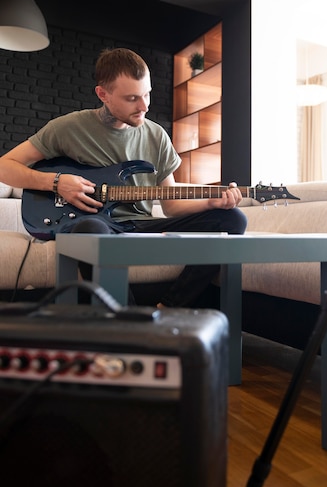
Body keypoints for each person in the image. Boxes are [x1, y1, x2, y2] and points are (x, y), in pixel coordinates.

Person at [0, 48, 247, 308]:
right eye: (132, 98)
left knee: (232, 219)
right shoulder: (68, 128)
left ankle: (171, 306)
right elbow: (5, 165)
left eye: (147, 94)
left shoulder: (157, 136)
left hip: (140, 224)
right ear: (103, 94)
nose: (145, 106)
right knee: (91, 230)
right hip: (96, 223)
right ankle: (128, 318)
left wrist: (211, 203)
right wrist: (55, 182)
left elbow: (171, 205)